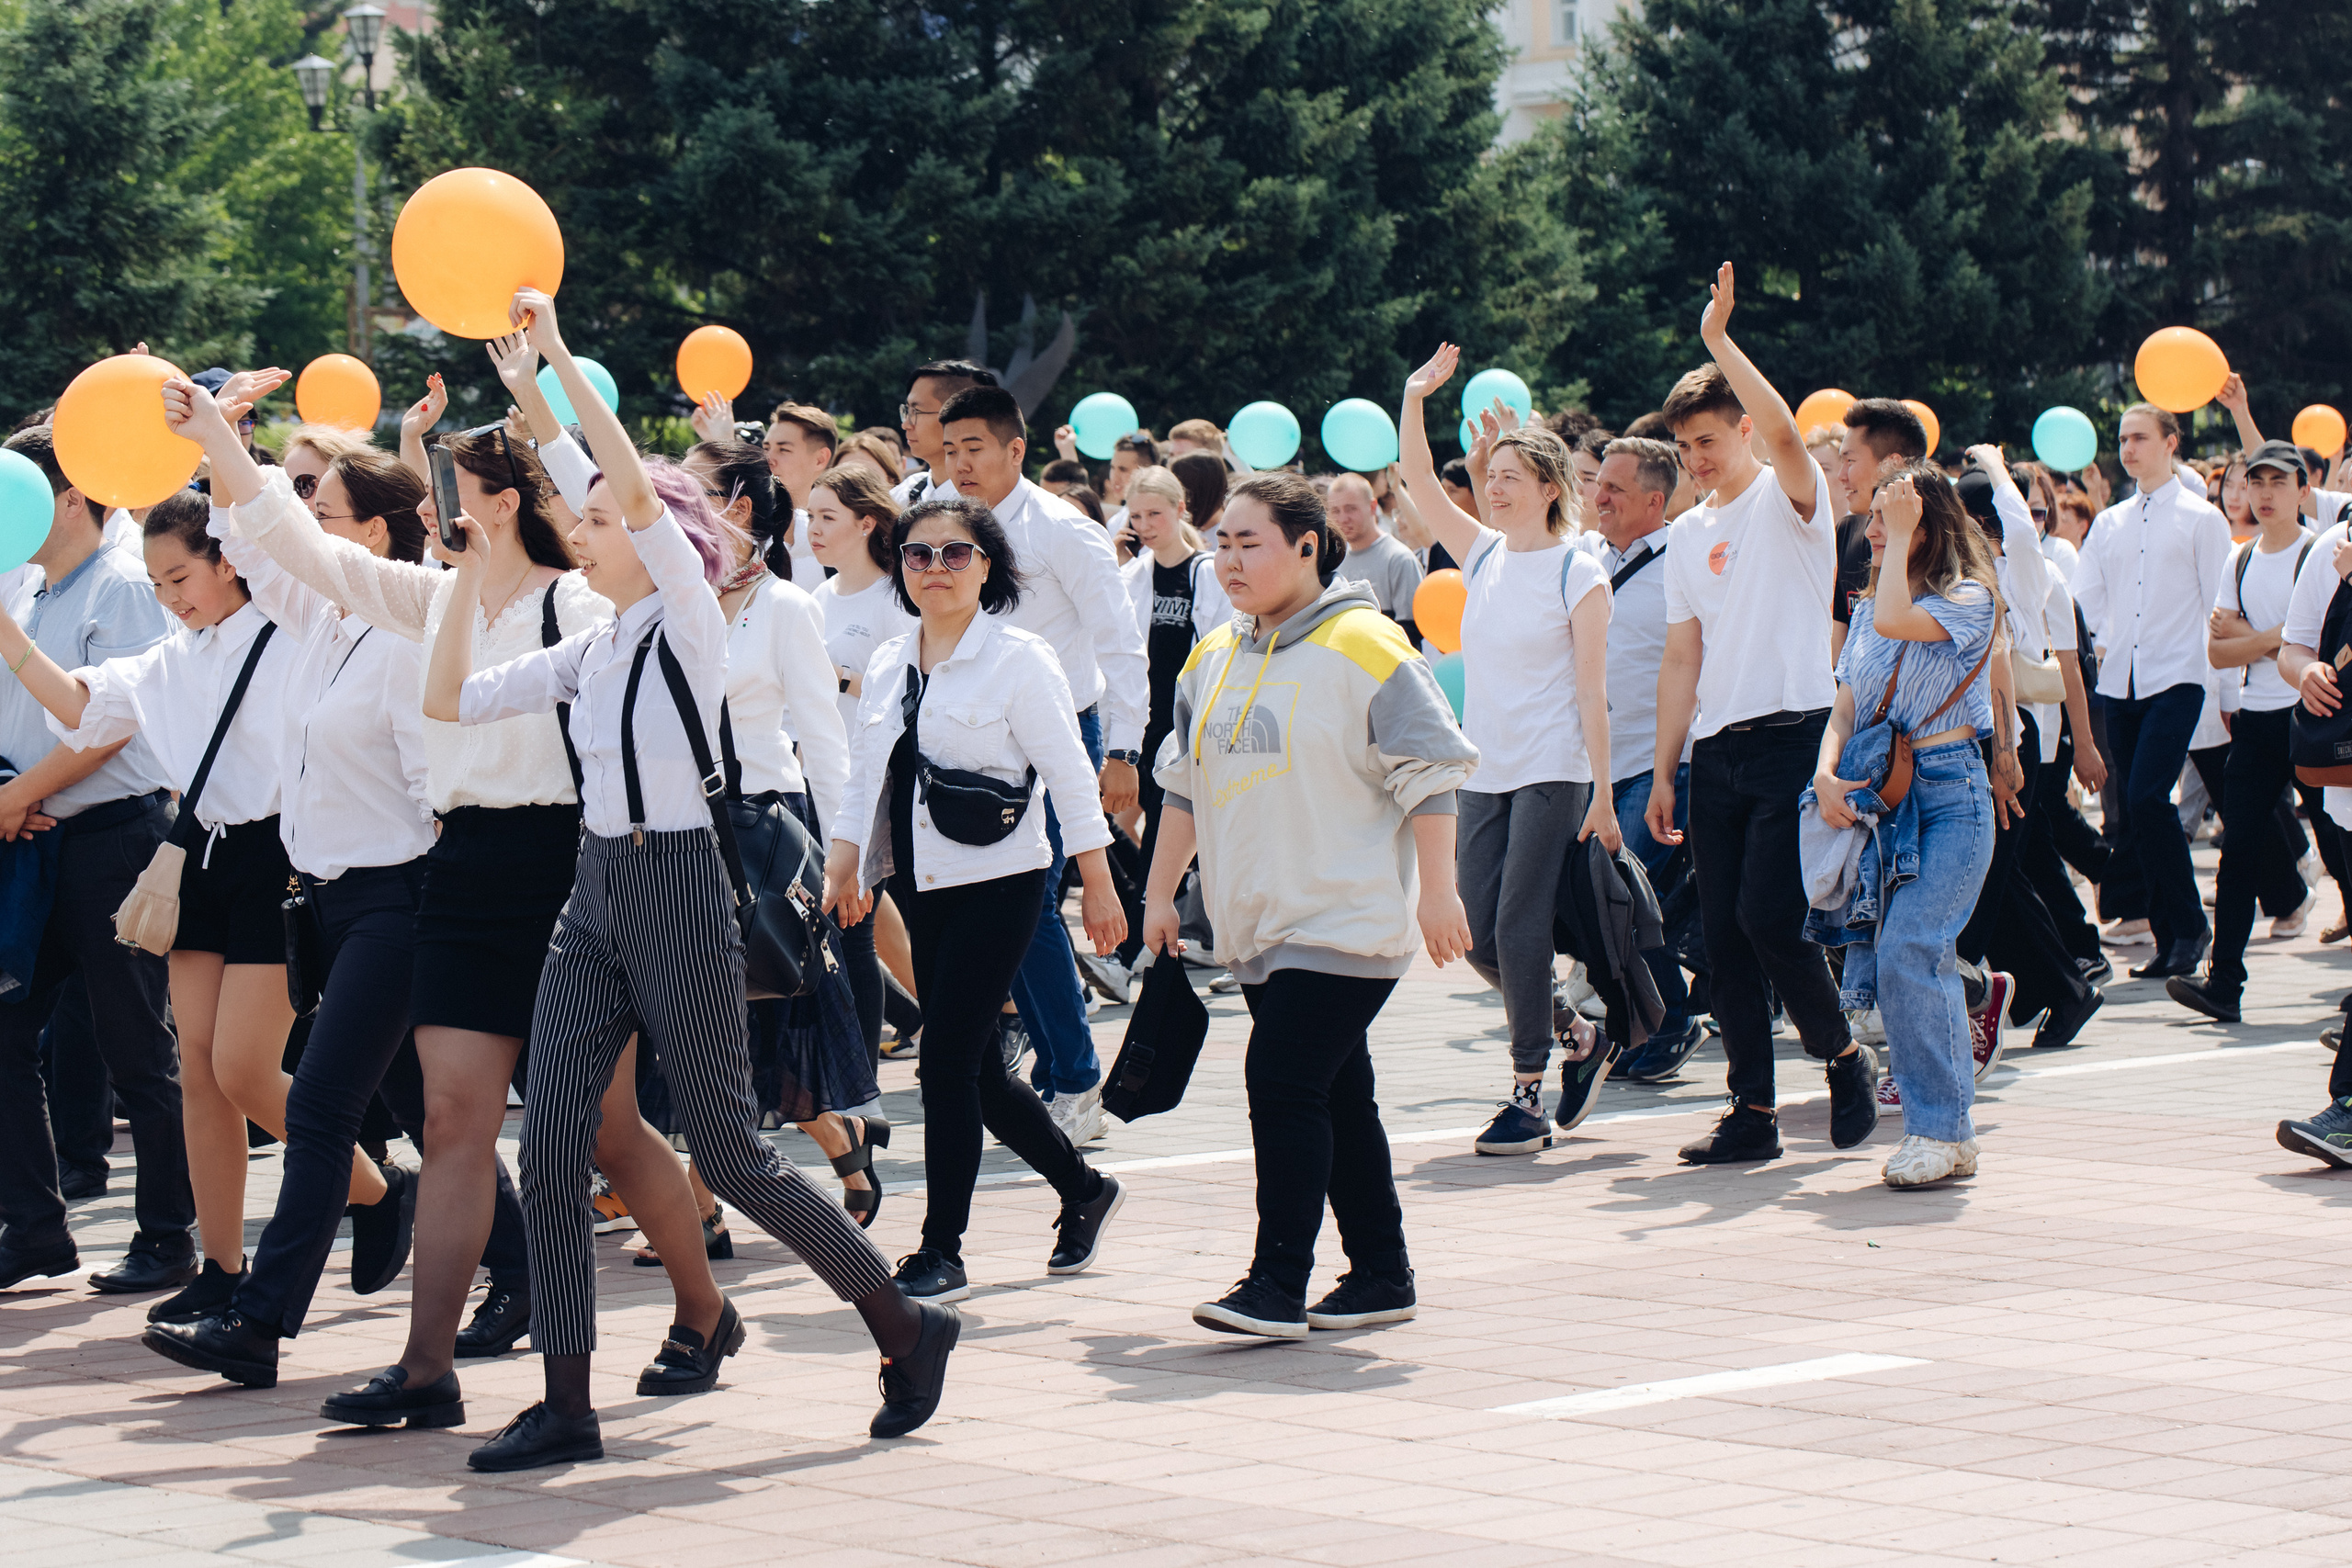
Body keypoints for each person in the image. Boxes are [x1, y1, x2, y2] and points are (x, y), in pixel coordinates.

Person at [430, 288, 956, 1471]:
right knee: (552, 1140)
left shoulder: (684, 617)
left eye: (604, 518)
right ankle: (569, 1405)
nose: (582, 527)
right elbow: (451, 697)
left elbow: (616, 478)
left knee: (728, 1148)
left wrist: (556, 364)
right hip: (594, 890)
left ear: (660, 535)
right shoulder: (597, 642)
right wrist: (468, 568)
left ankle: (902, 1320)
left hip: (676, 885)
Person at [226, 342, 621, 1394]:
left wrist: (545, 384)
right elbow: (309, 561)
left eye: (467, 493)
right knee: (447, 1123)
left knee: (608, 1137)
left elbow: (619, 526)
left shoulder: (574, 611)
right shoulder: (429, 605)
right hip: (454, 885)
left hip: (552, 870)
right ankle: (424, 1368)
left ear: (503, 506)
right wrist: (221, 445)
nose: (452, 510)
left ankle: (701, 1307)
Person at [136, 387, 462, 1389]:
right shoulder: (320, 623)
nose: (306, 529)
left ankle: (259, 1319)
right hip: (326, 901)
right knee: (417, 1109)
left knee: (319, 1106)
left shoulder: (410, 633)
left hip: (400, 898)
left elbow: (437, 795)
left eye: (327, 515)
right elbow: (259, 527)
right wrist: (215, 439)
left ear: (377, 535)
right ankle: (526, 1266)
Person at [0, 490, 364, 1316]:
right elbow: (79, 708)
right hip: (198, 853)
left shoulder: (287, 624)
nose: (172, 596)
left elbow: (277, 540)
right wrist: (10, 635)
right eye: (160, 582)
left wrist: (219, 439)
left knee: (239, 1067)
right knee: (200, 1073)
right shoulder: (171, 652)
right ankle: (221, 1269)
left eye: (181, 577)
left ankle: (376, 1190)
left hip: (281, 853)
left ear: (226, 560)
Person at [1143, 472, 1476, 1337]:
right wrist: (1159, 895)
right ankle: (1381, 1275)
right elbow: (1184, 787)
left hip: (1345, 917)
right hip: (1258, 921)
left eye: (1250, 543)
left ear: (1308, 545)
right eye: (1222, 543)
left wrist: (1439, 891)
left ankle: (1276, 1281)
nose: (1230, 561)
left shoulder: (1368, 644)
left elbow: (1431, 773)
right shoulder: (1213, 656)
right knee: (1338, 1095)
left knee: (1282, 1081)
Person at [821, 492, 1129, 1306]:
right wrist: (844, 865)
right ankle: (1084, 1188)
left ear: (986, 566)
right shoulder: (890, 661)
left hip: (1003, 879)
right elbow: (863, 780)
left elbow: (1069, 774)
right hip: (917, 881)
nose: (934, 569)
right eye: (918, 555)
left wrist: (1096, 884)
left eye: (954, 553)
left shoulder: (1021, 656)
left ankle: (940, 1250)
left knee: (946, 1061)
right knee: (978, 1074)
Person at [1645, 262, 1877, 1165]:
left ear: (1740, 429)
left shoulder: (1792, 504)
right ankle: (1752, 1113)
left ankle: (1842, 1055)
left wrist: (1717, 339)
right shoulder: (1688, 531)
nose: (1698, 460)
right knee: (1725, 940)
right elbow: (1679, 657)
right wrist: (1666, 770)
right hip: (1716, 748)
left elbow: (1785, 427)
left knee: (1769, 919)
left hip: (1791, 733)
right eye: (1686, 448)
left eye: (1708, 440)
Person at [1397, 346, 1615, 1152]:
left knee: (1520, 924)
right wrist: (1415, 397)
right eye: (1491, 477)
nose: (1493, 488)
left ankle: (1527, 1092)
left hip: (1555, 769)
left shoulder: (1578, 569)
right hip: (1483, 769)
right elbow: (1420, 483)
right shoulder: (1483, 553)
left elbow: (1595, 692)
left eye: (1511, 478)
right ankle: (1575, 1032)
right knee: (1477, 934)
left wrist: (1604, 791)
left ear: (1550, 490)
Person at [0, 424, 193, 1299]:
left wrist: (15, 795)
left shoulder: (119, 587)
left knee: (136, 1048)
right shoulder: (35, 593)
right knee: (9, 1029)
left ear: (69, 497)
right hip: (43, 843)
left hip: (115, 839)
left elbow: (109, 721)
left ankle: (171, 1234)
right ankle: (35, 1226)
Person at [934, 385, 1148, 1142]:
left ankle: (1075, 1081)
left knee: (1029, 914)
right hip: (970, 743)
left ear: (1015, 450)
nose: (958, 464)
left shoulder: (1064, 530)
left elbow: (1122, 644)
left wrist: (1124, 750)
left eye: (974, 449)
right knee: (1000, 912)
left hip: (1064, 736)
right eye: (948, 448)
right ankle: (1045, 1062)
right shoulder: (941, 519)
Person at [1810, 471, 1999, 1187]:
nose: (1875, 530)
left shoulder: (1970, 599)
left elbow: (1896, 619)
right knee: (1898, 954)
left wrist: (1900, 538)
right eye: (1875, 517)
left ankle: (1943, 1130)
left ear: (1930, 524)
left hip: (1952, 793)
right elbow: (1845, 708)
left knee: (1912, 946)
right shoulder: (1867, 609)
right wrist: (1826, 772)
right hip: (1886, 800)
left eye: (1892, 517)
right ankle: (1943, 1128)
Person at [2072, 402, 2233, 979]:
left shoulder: (2201, 518)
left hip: (2181, 676)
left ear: (2171, 442)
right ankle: (2174, 936)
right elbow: (2082, 601)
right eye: (2122, 439)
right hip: (2123, 683)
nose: (2128, 448)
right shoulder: (2111, 522)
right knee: (2140, 812)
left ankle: (2190, 925)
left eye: (2140, 437)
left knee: (2145, 799)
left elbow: (2222, 608)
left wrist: (2224, 696)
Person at [2171, 441, 2321, 1022]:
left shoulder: (2318, 554)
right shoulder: (2242, 559)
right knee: (2238, 855)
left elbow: (2324, 641)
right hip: (2258, 722)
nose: (2262, 494)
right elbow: (2217, 650)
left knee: (2339, 847)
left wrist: (2251, 637)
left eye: (2277, 483)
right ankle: (2224, 983)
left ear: (2303, 490)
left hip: (2314, 716)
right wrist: (2273, 637)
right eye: (2255, 482)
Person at [1582, 435, 1703, 1081]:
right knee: (1611, 902)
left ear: (1655, 502)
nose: (1598, 497)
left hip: (1659, 767)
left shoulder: (1682, 561)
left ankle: (1670, 1022)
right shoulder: (1586, 558)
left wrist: (1671, 768)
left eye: (1614, 490)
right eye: (1598, 485)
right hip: (1598, 767)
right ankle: (1659, 1019)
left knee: (1620, 896)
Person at [805, 463, 927, 1059]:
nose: (814, 529)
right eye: (810, 517)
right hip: (819, 778)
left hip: (876, 781)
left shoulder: (893, 598)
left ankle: (860, 1084)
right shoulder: (816, 598)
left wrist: (845, 678)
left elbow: (914, 692)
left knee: (855, 927)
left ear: (867, 522)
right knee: (833, 924)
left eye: (828, 517)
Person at [1115, 464, 1229, 969]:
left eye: (1155, 513)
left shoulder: (1205, 573)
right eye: (1136, 515)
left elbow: (1221, 650)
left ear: (1181, 510)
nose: (1145, 524)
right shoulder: (1132, 576)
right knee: (1151, 830)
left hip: (1186, 726)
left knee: (1167, 829)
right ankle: (1159, 934)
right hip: (1141, 723)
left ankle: (1137, 946)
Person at [1325, 472, 1425, 642]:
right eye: (1335, 511)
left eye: (1351, 509)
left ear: (1372, 506)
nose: (1343, 518)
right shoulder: (1332, 562)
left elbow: (1411, 632)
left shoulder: (1399, 558)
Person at [894, 360, 997, 508]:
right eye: (907, 411)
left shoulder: (992, 503)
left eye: (915, 412)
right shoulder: (904, 495)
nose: (906, 425)